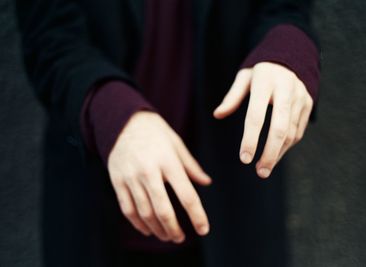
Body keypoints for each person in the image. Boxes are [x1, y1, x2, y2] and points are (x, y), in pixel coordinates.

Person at [16, 0, 320, 266]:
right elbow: (49, 36)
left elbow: (285, 7)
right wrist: (115, 114)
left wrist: (288, 49)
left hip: (234, 210)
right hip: (95, 212)